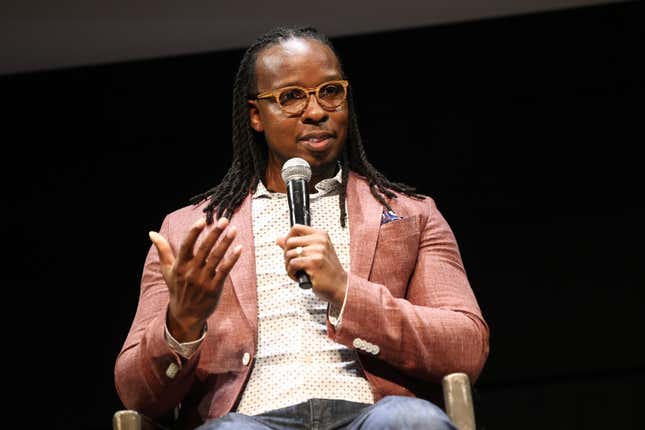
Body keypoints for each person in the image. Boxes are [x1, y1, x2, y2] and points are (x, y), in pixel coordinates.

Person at [115, 25, 489, 430]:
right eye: (291, 97)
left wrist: (347, 292)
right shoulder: (189, 231)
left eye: (330, 91)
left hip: (372, 414)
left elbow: (465, 349)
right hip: (251, 419)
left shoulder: (410, 215)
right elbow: (137, 395)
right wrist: (182, 323)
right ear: (256, 115)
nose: (316, 111)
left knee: (410, 420)